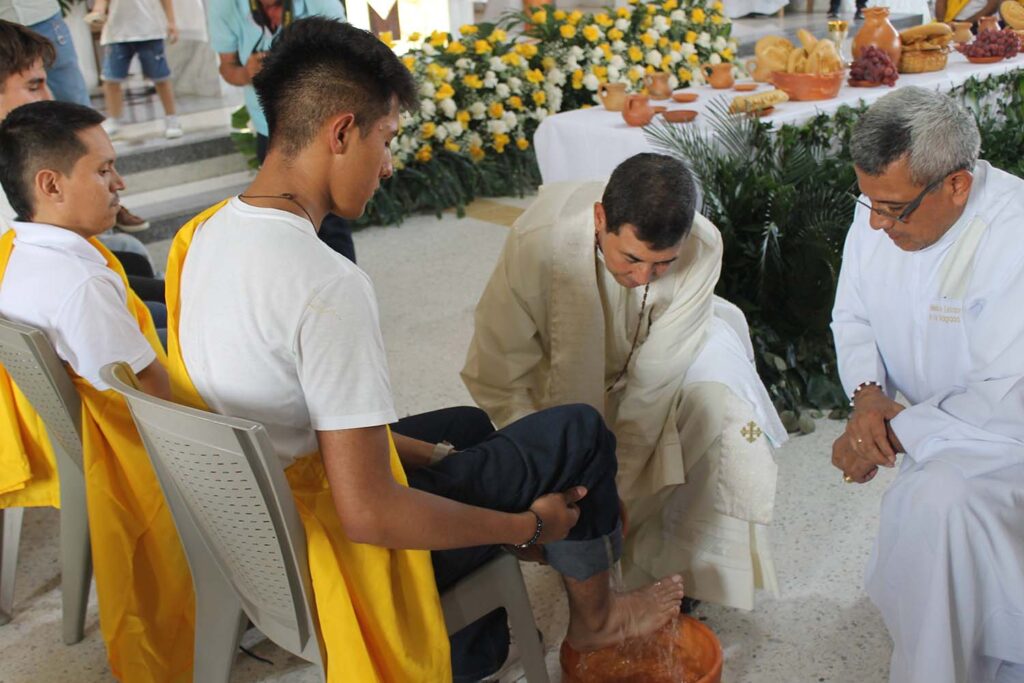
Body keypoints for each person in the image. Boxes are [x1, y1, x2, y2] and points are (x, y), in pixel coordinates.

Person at [166, 18, 684, 681]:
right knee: (580, 433)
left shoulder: (205, 234)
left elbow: (303, 425)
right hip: (331, 548)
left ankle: (479, 632)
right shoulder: (325, 285)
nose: (388, 164)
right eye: (386, 139)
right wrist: (524, 525)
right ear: (342, 131)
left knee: (466, 429)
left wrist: (440, 457)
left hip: (255, 522)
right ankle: (598, 615)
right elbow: (369, 510)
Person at [463, 152, 787, 612]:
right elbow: (501, 364)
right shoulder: (538, 242)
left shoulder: (703, 244)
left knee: (719, 409)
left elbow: (656, 376)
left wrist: (618, 481)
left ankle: (683, 568)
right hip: (556, 376)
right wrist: (549, 463)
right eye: (632, 258)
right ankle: (588, 558)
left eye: (662, 265)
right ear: (600, 219)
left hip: (665, 353)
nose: (642, 277)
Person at [831, 86, 1024, 683]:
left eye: (893, 210)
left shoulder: (1014, 235)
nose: (878, 225)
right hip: (934, 435)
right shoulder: (883, 206)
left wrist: (889, 434)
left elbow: (1006, 397)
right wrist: (868, 401)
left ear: (958, 185)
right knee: (936, 505)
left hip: (1007, 447)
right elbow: (853, 316)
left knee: (940, 506)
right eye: (869, 204)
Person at [0, 100, 193, 681]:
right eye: (104, 170)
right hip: (137, 455)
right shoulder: (79, 283)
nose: (120, 183)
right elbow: (160, 406)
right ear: (50, 184)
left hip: (73, 436)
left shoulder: (17, 253)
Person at [0, 20, 165, 309]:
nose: (48, 97)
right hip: (49, 302)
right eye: (33, 86)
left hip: (59, 283)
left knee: (130, 254)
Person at [207, 0, 356, 262]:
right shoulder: (223, 6)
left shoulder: (321, 4)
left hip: (320, 122)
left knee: (330, 219)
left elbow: (346, 55)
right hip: (270, 127)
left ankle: (347, 290)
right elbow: (227, 66)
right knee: (282, 217)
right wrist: (248, 72)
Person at [88, 0, 183, 139]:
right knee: (111, 80)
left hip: (150, 30)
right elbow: (101, 3)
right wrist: (98, 13)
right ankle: (114, 118)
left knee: (161, 77)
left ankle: (171, 117)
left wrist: (171, 22)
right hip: (117, 32)